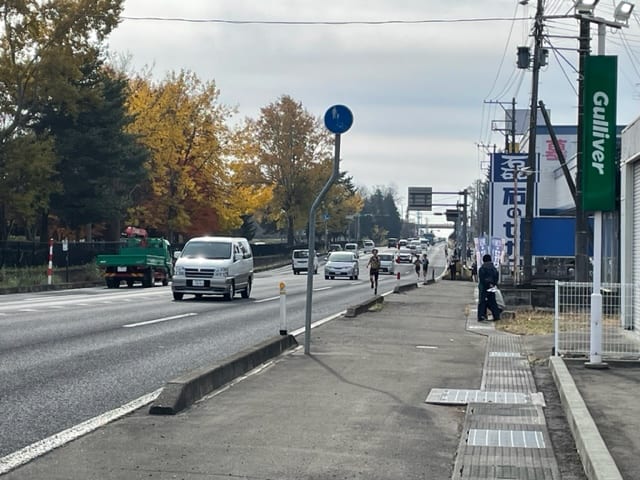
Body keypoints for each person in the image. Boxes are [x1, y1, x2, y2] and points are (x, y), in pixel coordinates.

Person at [478, 253, 501, 321]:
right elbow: (496, 277)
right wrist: (493, 284)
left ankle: (481, 316)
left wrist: (486, 284)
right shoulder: (494, 268)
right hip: (492, 287)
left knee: (482, 302)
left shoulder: (482, 268)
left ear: (483, 260)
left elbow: (481, 278)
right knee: (493, 302)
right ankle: (496, 316)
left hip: (485, 287)